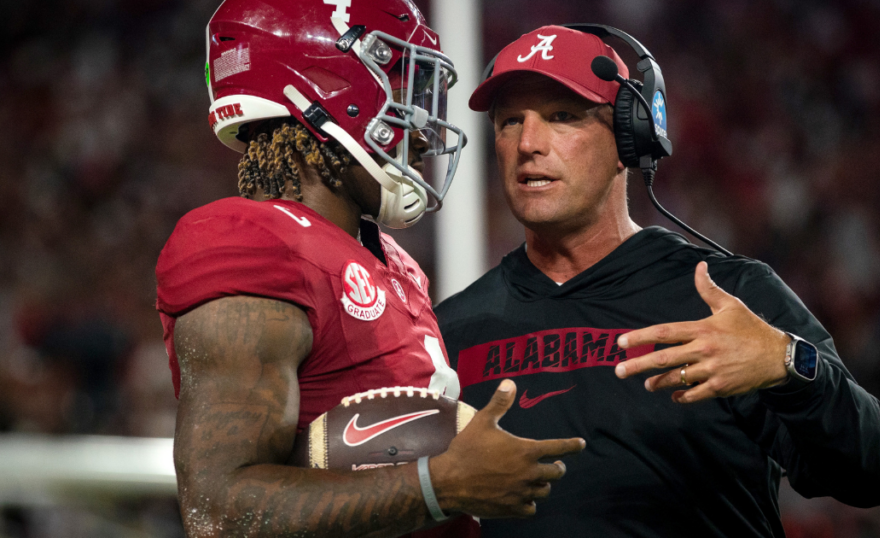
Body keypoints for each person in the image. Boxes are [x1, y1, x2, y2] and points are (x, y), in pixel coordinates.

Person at [435, 25, 880, 537]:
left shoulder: (726, 296)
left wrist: (789, 365)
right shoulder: (449, 330)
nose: (527, 143)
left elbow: (874, 475)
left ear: (629, 140)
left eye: (561, 117)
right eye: (509, 122)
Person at [155, 4, 584, 537]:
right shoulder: (248, 239)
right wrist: (439, 486)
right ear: (322, 89)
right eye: (402, 93)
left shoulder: (388, 258)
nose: (423, 130)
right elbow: (218, 510)